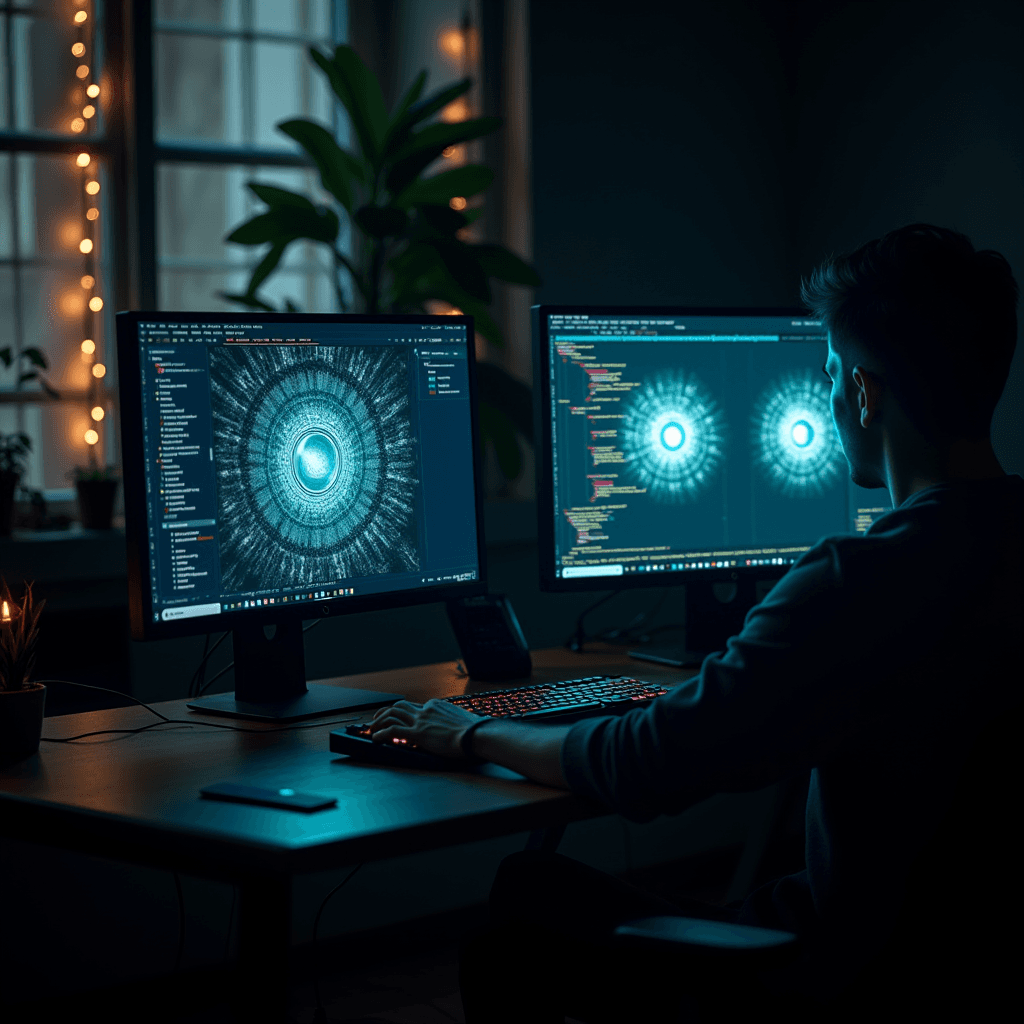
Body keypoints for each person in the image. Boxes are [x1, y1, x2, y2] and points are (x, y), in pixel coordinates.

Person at [370, 224, 1023, 1022]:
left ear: (863, 392)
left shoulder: (854, 583)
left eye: (828, 375)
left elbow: (645, 763)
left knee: (527, 894)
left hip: (846, 976)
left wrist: (469, 731)